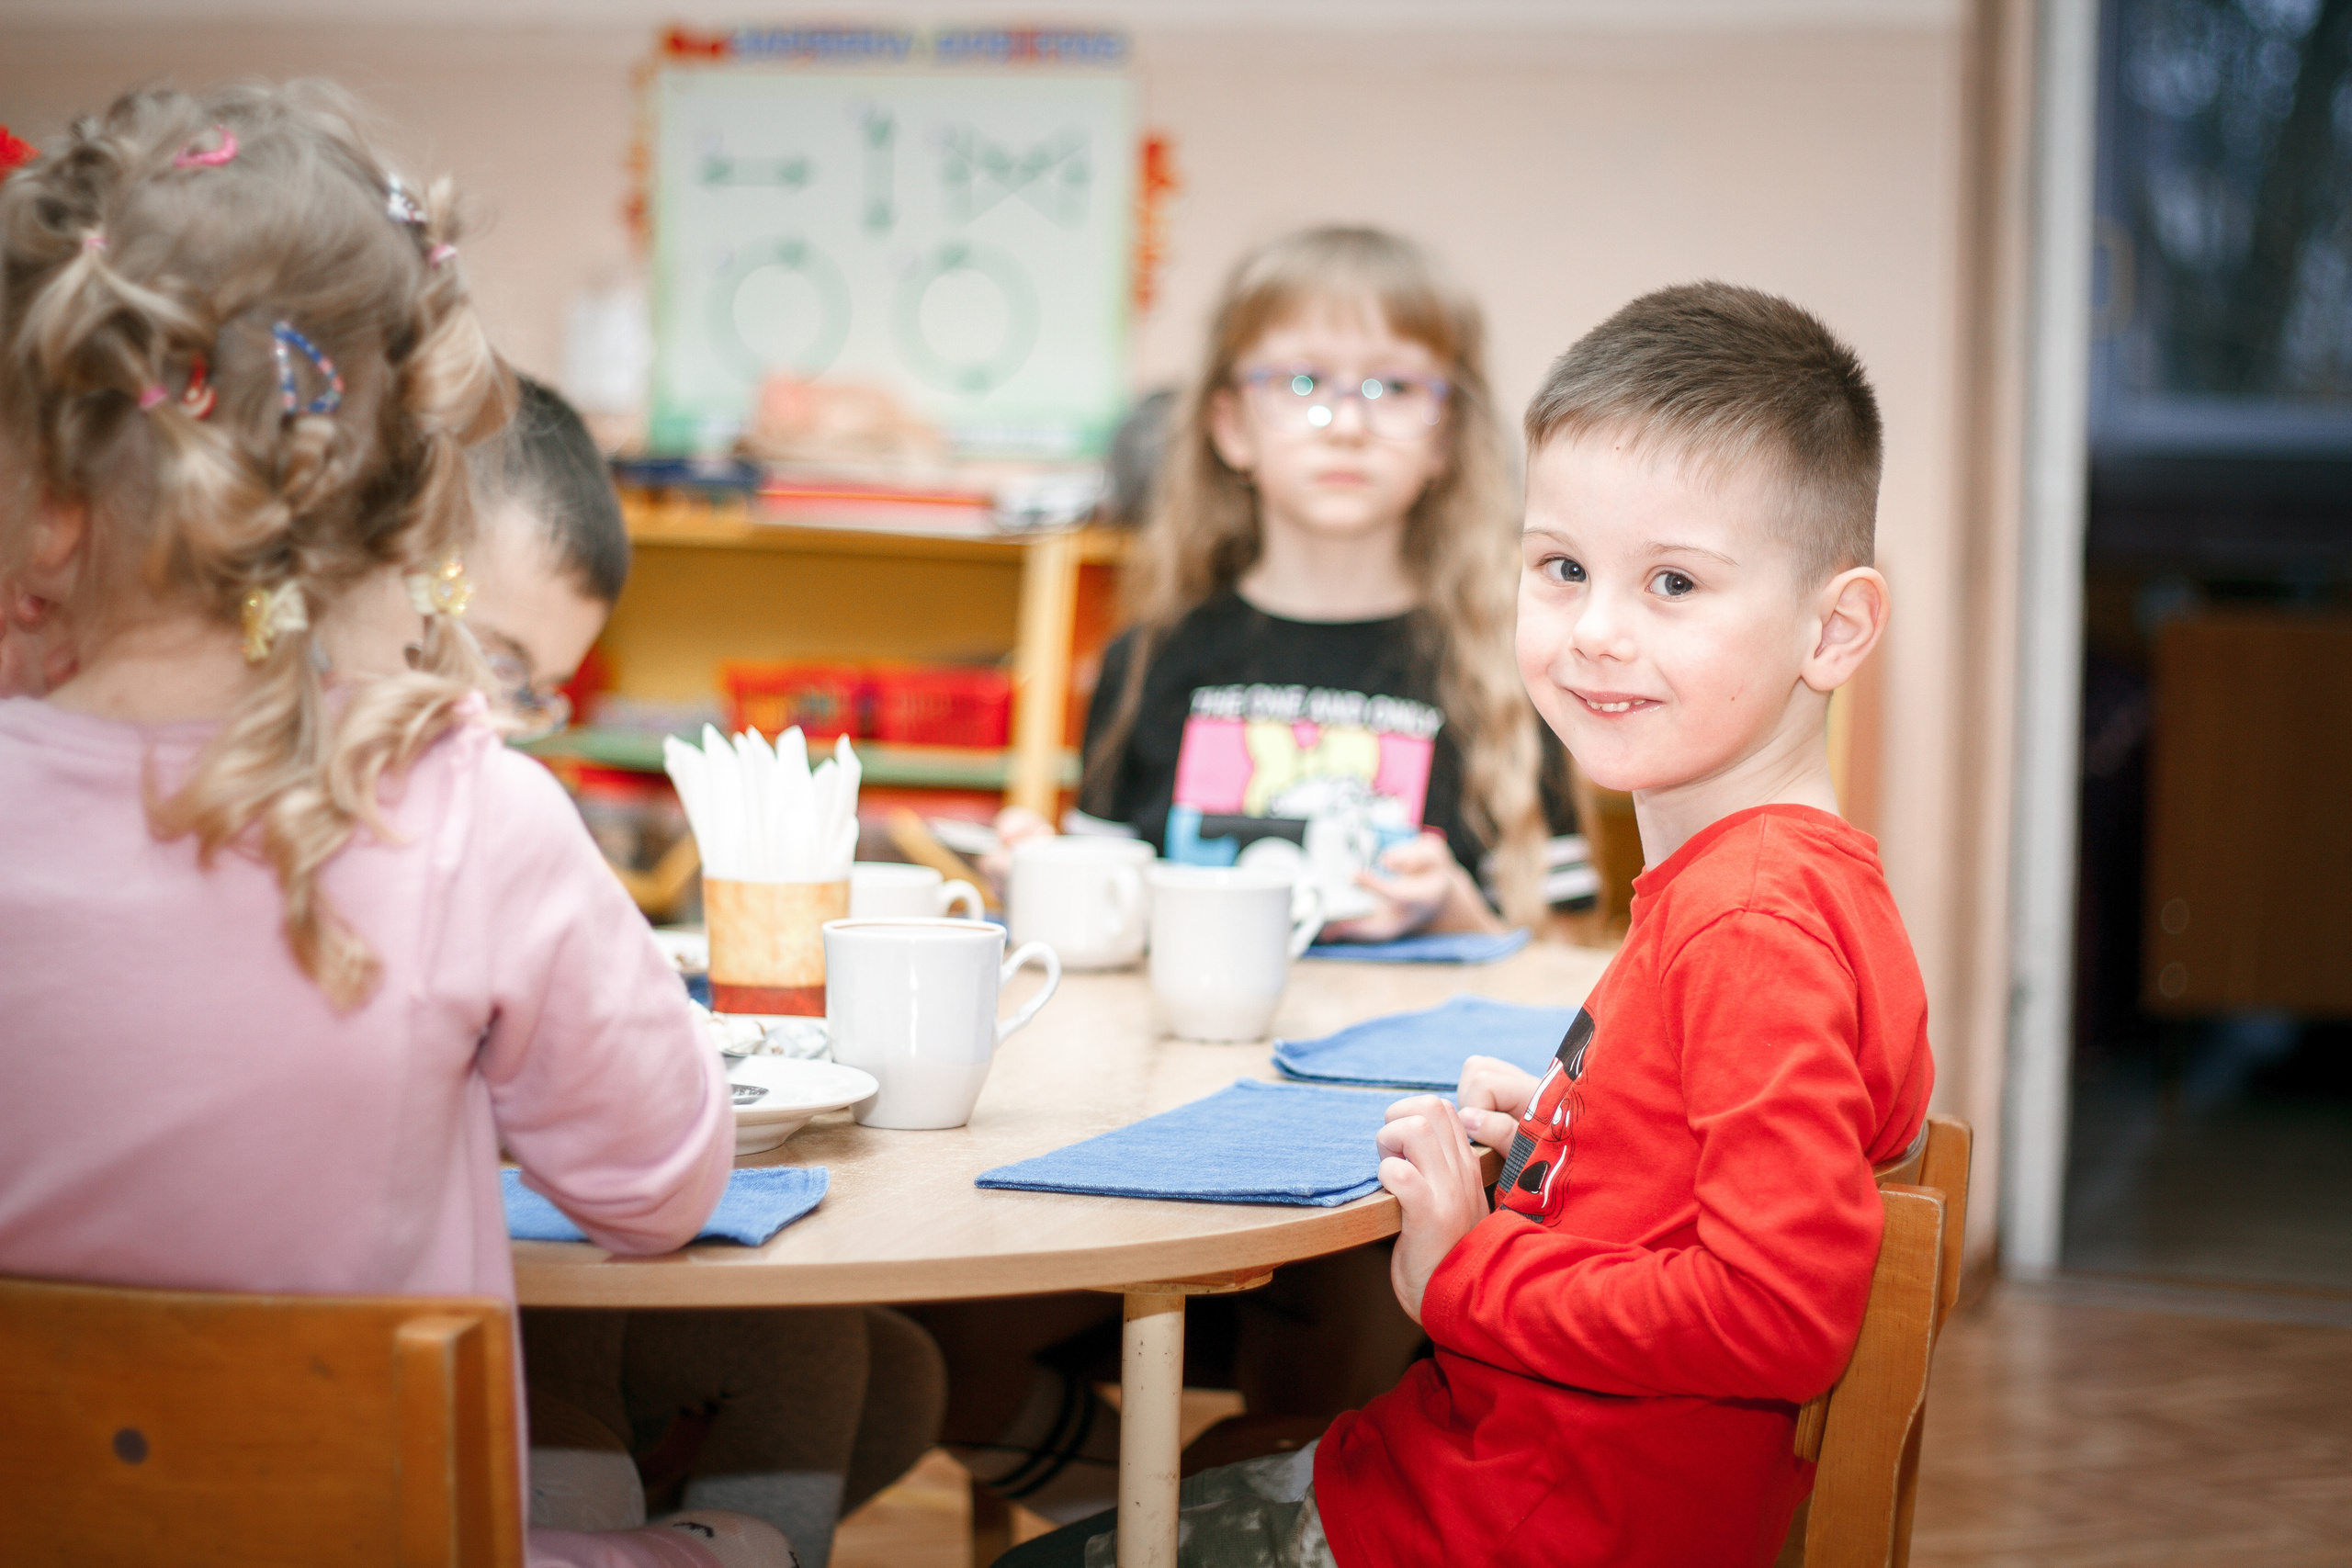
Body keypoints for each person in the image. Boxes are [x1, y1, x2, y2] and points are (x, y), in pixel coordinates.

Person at [1001, 283, 1937, 1568]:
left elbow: (1778, 1311)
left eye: (1674, 581)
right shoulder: (1788, 885)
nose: (1596, 629)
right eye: (1563, 567)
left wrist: (1463, 1272)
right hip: (1516, 1476)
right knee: (1204, 1456)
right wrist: (1580, 1128)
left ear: (1834, 628)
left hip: (1515, 1519)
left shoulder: (1751, 920)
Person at [0, 85, 781, 1568]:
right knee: (741, 1539)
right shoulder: (471, 814)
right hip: (368, 1538)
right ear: (421, 501)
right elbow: (661, 1190)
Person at [428, 375, 945, 1568]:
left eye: (535, 690)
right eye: (493, 659)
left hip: (387, 1303)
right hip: (397, 1328)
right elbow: (648, 1182)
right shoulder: (480, 811)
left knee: (879, 1366)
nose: (509, 723)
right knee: (788, 1358)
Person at [999, 225, 1559, 943]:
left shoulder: (1510, 673)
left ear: (1445, 436)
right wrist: (1035, 881)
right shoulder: (1147, 661)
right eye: (1302, 382)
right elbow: (1102, 916)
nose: (1347, 424)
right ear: (1230, 428)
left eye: (1392, 386)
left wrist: (1458, 916)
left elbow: (1563, 976)